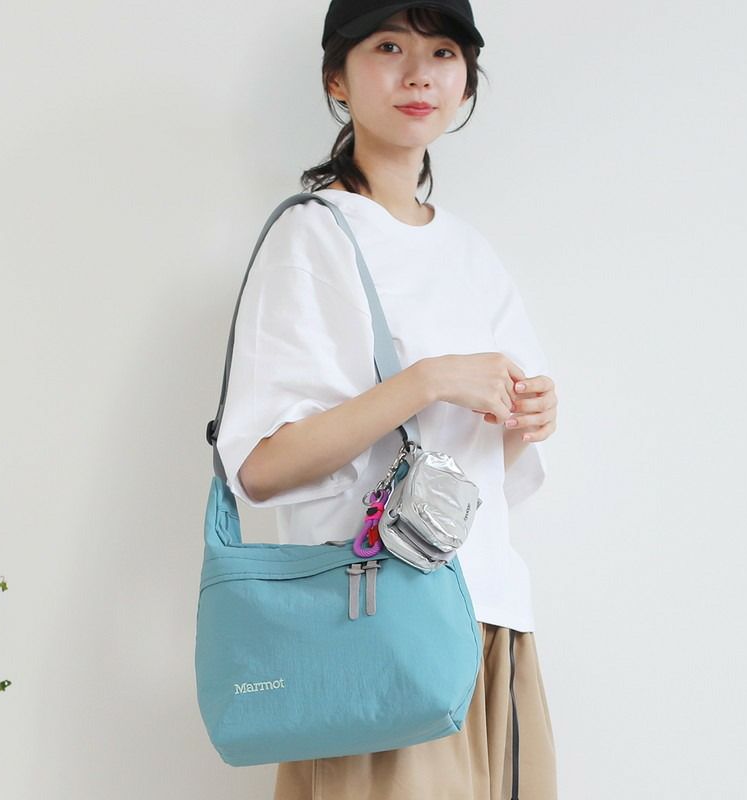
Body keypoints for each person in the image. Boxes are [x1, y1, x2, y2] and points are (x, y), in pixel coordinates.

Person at [215, 1, 559, 797]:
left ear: (466, 79)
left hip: (490, 618)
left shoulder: (471, 253)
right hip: (376, 624)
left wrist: (528, 417)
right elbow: (260, 466)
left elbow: (492, 469)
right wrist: (425, 380)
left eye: (442, 53)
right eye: (388, 47)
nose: (418, 75)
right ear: (336, 78)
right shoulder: (313, 236)